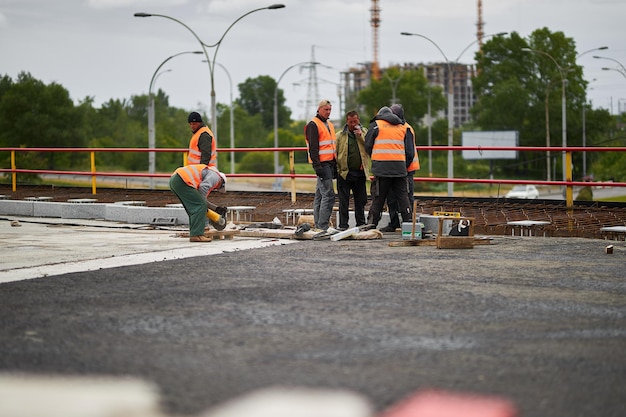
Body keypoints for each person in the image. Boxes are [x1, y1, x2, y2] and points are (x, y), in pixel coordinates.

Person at [364, 106, 414, 229]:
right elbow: (409, 152)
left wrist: (377, 158)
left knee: (378, 197)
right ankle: (409, 224)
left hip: (382, 169)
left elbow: (367, 145)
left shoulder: (376, 125)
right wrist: (403, 164)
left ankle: (371, 224)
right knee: (403, 197)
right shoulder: (403, 126)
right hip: (400, 169)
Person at [381, 104, 420, 232]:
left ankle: (409, 224)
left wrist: (403, 169)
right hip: (395, 170)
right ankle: (394, 223)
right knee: (391, 197)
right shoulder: (395, 128)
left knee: (406, 197)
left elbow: (409, 153)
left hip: (405, 171)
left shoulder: (406, 128)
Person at [169, 164, 227, 242]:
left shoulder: (209, 173)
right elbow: (203, 190)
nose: (216, 188)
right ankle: (197, 235)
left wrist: (215, 208)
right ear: (221, 182)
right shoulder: (216, 177)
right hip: (183, 180)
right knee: (200, 206)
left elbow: (200, 198)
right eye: (219, 187)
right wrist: (206, 221)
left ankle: (195, 232)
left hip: (176, 180)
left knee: (193, 208)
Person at [304, 99, 337, 233]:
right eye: (326, 110)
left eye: (330, 109)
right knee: (328, 195)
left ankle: (319, 225)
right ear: (319, 109)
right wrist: (317, 167)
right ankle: (322, 226)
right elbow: (313, 148)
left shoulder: (328, 124)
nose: (328, 112)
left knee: (320, 195)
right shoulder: (313, 124)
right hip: (322, 164)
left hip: (329, 163)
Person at [336, 110, 371, 230]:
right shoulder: (340, 135)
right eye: (350, 122)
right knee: (343, 201)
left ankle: (361, 224)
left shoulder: (365, 132)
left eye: (355, 121)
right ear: (347, 122)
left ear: (359, 120)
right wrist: (338, 171)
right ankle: (343, 225)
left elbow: (369, 147)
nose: (353, 124)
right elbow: (335, 153)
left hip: (360, 173)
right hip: (345, 174)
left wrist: (360, 136)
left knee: (360, 201)